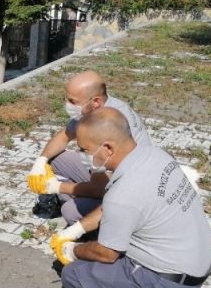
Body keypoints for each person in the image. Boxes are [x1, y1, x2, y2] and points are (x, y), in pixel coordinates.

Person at [49, 107, 211, 288]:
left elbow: (108, 253)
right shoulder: (154, 155)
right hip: (198, 258)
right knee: (93, 232)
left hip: (172, 279)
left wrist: (73, 250)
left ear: (107, 148)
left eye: (84, 150)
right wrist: (77, 229)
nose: (82, 155)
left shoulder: (124, 195)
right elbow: (112, 206)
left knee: (75, 277)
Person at [27, 70, 151, 224]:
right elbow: (63, 136)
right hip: (104, 174)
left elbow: (100, 187)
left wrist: (57, 187)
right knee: (56, 159)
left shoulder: (110, 123)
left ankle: (108, 228)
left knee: (70, 211)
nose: (68, 105)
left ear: (96, 102)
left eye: (73, 102)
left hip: (125, 189)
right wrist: (40, 161)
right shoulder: (95, 110)